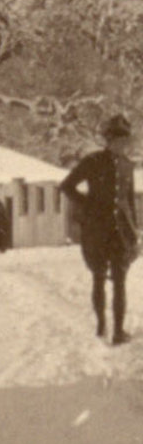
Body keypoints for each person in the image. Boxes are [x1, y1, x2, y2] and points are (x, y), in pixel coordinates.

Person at [60, 114, 138, 345]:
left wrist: (134, 229)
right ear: (108, 140)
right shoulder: (92, 162)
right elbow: (67, 186)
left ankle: (118, 331)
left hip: (121, 232)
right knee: (98, 278)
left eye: (125, 141)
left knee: (121, 281)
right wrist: (88, 205)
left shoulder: (127, 165)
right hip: (96, 230)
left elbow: (129, 199)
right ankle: (101, 324)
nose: (122, 145)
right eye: (117, 140)